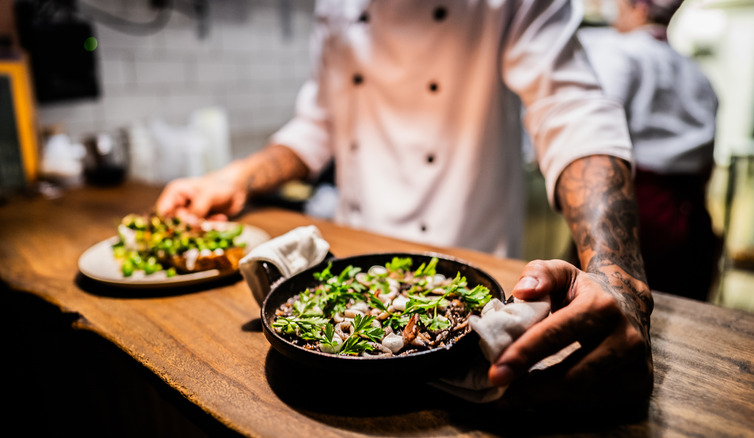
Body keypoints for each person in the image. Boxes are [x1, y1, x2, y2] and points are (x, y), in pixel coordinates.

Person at [157, 1, 654, 407]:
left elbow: (571, 109)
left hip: (467, 257)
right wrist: (236, 178)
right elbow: (318, 122)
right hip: (354, 262)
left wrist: (618, 276)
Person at [578, 0, 719, 301]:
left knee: (611, 303)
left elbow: (594, 133)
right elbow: (708, 163)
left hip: (632, 212)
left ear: (639, 8)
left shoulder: (621, 54)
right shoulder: (699, 73)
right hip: (693, 218)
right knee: (684, 312)